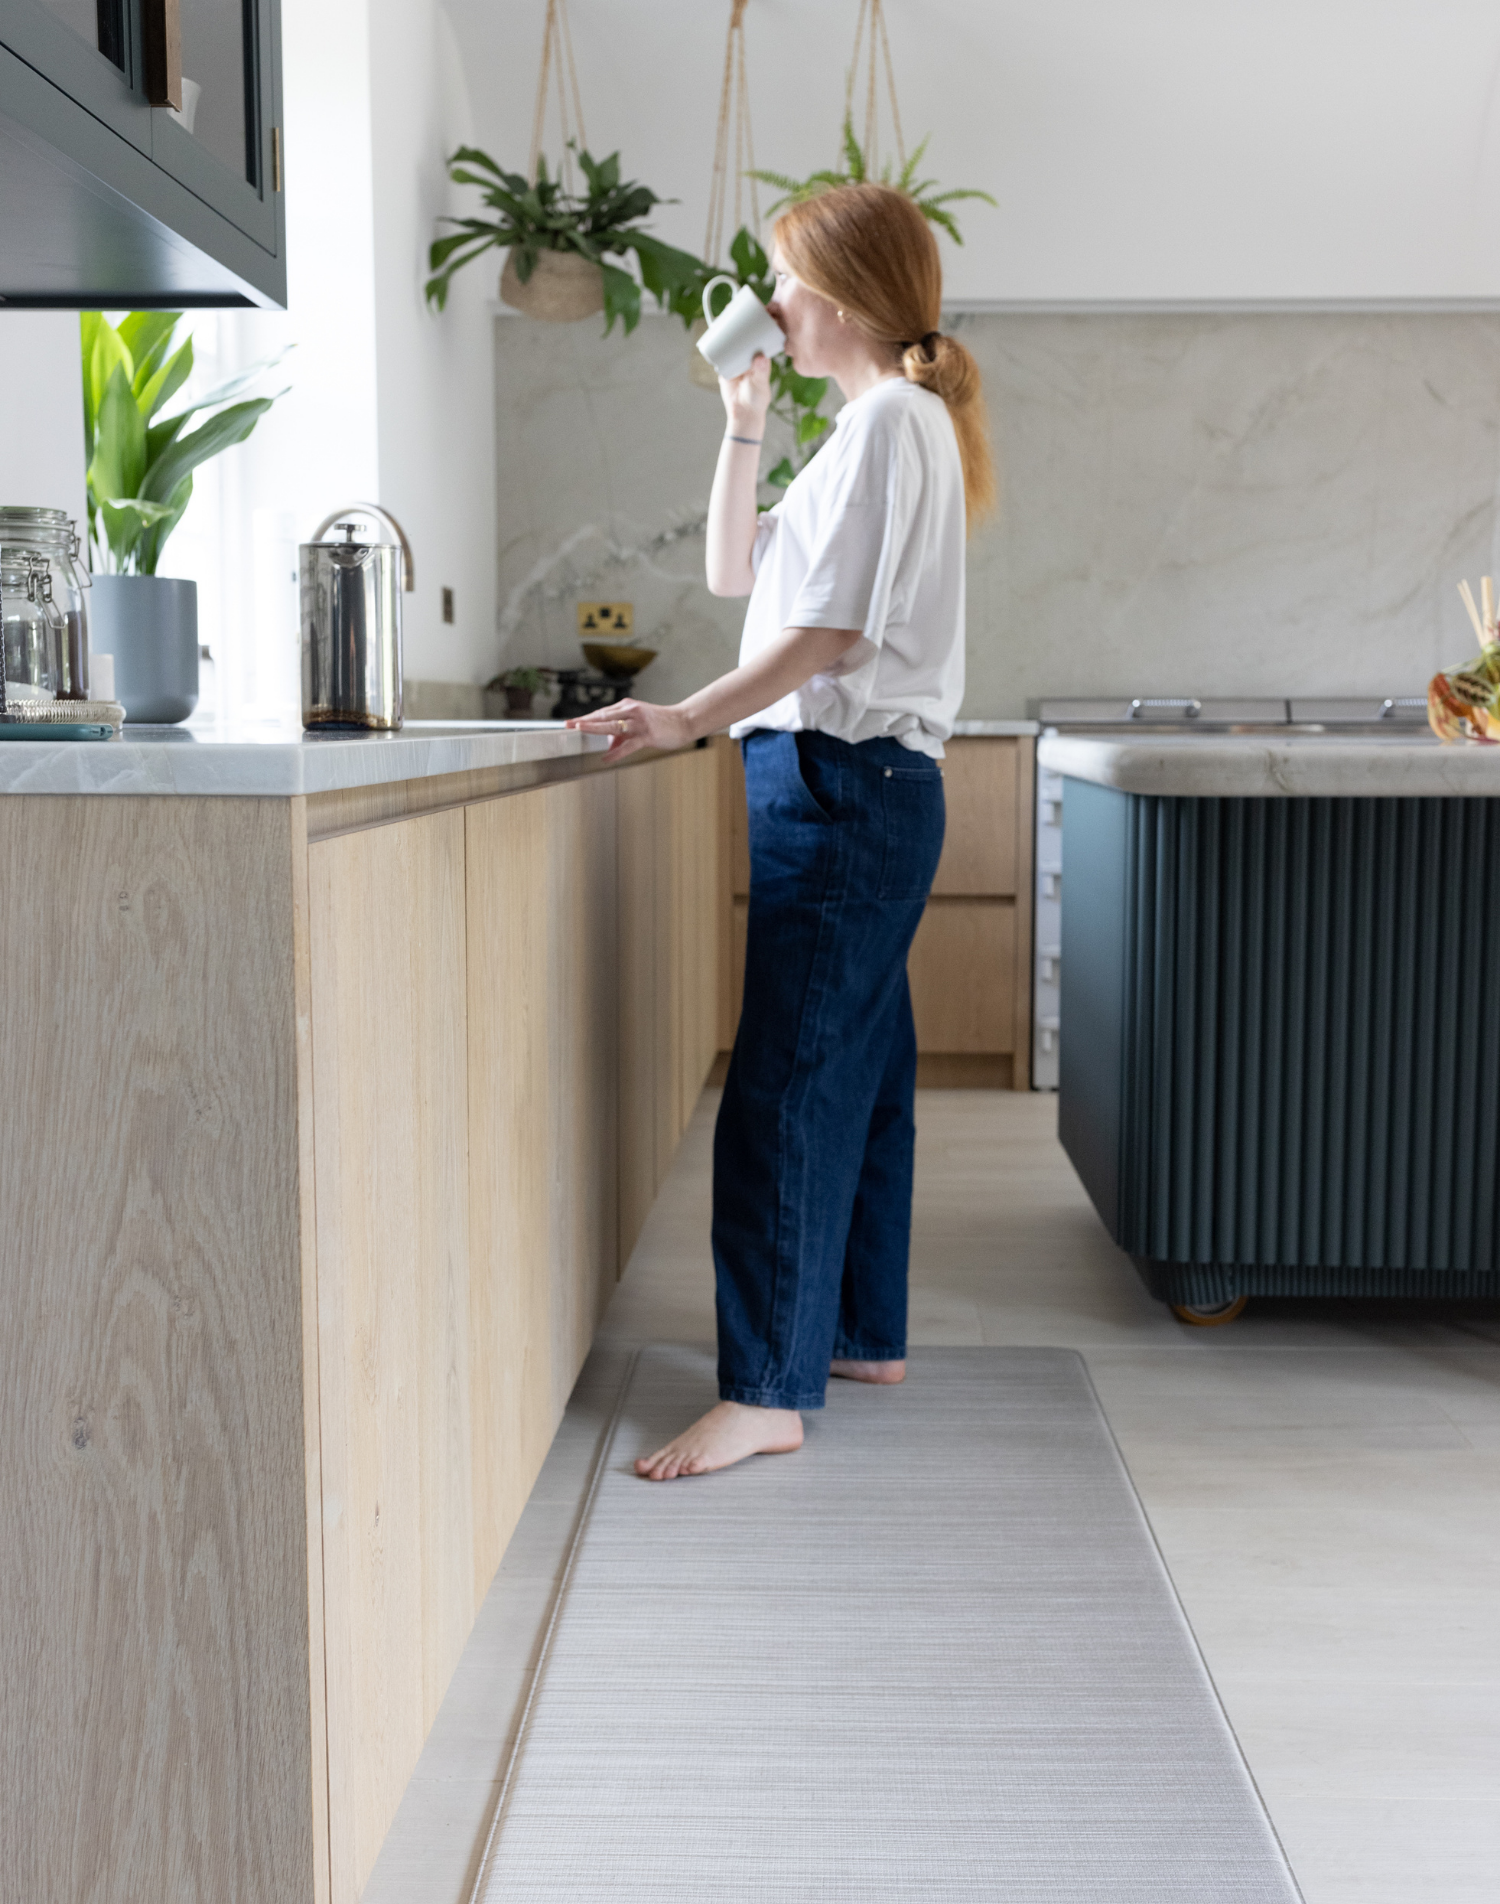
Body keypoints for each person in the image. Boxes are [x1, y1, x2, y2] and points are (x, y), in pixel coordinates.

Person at [567, 182, 995, 1480]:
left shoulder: (889, 429)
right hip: (855, 788)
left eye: (783, 281)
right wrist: (743, 425)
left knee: (784, 1092)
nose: (770, 306)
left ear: (846, 292)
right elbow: (737, 578)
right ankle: (858, 1331)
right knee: (855, 1078)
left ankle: (766, 1389)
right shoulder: (877, 427)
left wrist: (690, 714)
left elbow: (828, 638)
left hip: (837, 783)